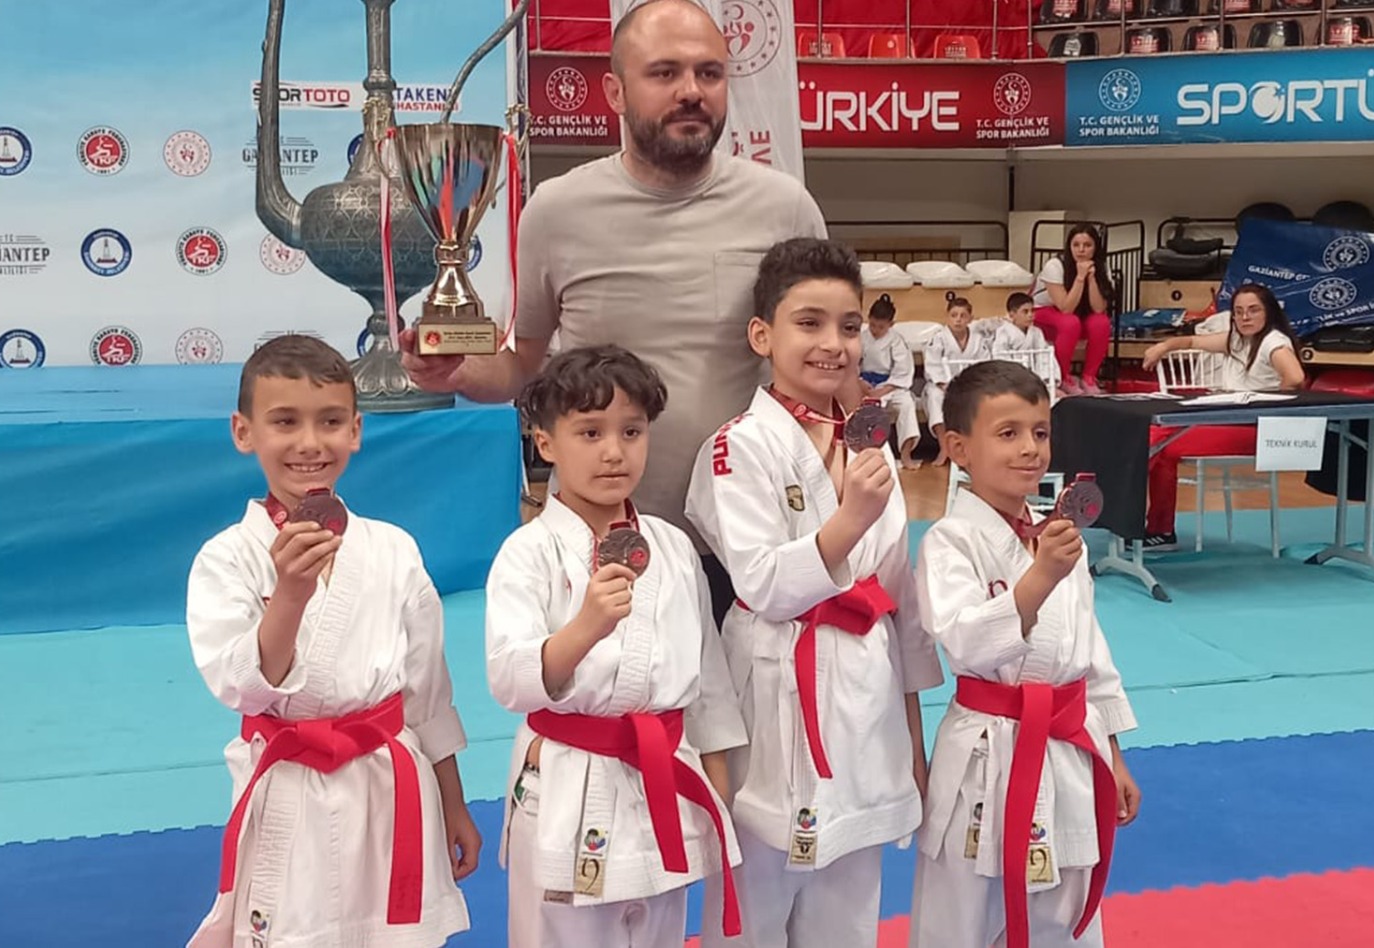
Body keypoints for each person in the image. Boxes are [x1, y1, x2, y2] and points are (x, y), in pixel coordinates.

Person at [401, 0, 827, 623]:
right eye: (664, 73)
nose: (691, 91)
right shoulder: (556, 211)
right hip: (605, 545)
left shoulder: (784, 207)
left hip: (753, 539)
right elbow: (523, 365)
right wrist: (458, 370)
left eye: (709, 73)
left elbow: (827, 367)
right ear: (615, 92)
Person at [686, 238, 943, 948]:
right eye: (810, 323)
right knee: (752, 910)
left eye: (849, 326)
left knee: (849, 914)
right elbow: (763, 583)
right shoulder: (737, 446)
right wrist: (849, 519)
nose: (834, 343)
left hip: (866, 696)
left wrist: (912, 740)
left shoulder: (869, 446)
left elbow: (898, 597)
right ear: (762, 335)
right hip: (774, 689)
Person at [185, 335, 479, 948]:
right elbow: (240, 686)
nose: (310, 443)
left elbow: (427, 694)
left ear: (356, 431)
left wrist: (454, 802)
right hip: (291, 785)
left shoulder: (392, 548)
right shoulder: (226, 558)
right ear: (244, 432)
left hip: (390, 782)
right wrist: (290, 594)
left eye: (330, 421)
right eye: (285, 422)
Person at [485, 344, 747, 947]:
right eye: (589, 432)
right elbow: (508, 679)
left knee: (659, 929)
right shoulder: (527, 553)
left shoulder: (671, 546)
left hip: (664, 776)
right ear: (546, 443)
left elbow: (707, 675)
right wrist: (586, 626)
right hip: (569, 778)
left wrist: (716, 775)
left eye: (631, 431)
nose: (613, 451)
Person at [910, 360, 1141, 948]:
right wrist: (1039, 579)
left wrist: (1113, 753)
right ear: (958, 447)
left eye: (1040, 432)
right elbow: (963, 638)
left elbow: (1091, 654)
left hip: (1068, 745)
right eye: (1008, 433)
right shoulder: (949, 541)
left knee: (1065, 905)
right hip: (987, 750)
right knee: (966, 912)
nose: (1030, 449)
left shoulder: (1057, 535)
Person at [1139, 282, 1305, 550]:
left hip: (1255, 427)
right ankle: (1159, 529)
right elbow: (1192, 341)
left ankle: (1136, 512)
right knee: (1157, 442)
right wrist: (1164, 346)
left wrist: (1270, 404)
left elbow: (1295, 377)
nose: (1245, 317)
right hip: (1228, 419)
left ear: (1269, 312)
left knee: (1161, 443)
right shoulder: (1237, 339)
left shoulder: (1273, 342)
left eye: (1253, 310)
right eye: (1238, 312)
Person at [1032, 224, 1115, 397]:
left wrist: (1091, 279)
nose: (1081, 250)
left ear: (1095, 248)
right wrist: (1080, 277)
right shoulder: (1055, 265)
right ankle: (1062, 377)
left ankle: (1089, 378)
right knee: (1070, 322)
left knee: (1101, 322)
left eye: (1087, 245)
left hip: (1079, 313)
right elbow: (1066, 307)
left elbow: (1099, 308)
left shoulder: (1101, 266)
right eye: (1076, 245)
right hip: (1046, 312)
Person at [923, 294, 992, 465]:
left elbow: (984, 365)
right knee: (934, 396)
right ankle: (944, 448)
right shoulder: (938, 338)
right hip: (942, 385)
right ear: (947, 317)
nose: (958, 320)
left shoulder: (978, 340)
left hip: (970, 386)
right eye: (954, 315)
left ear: (970, 318)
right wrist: (945, 385)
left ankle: (973, 448)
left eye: (963, 316)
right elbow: (932, 366)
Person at [859, 293, 922, 469]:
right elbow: (852, 365)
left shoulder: (896, 340)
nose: (875, 330)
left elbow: (902, 371)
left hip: (891, 385)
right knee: (861, 408)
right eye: (872, 324)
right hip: (865, 385)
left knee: (907, 405)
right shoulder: (861, 338)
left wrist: (883, 390)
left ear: (891, 324)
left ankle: (906, 455)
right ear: (868, 319)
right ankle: (868, 456)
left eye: (881, 327)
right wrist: (859, 382)